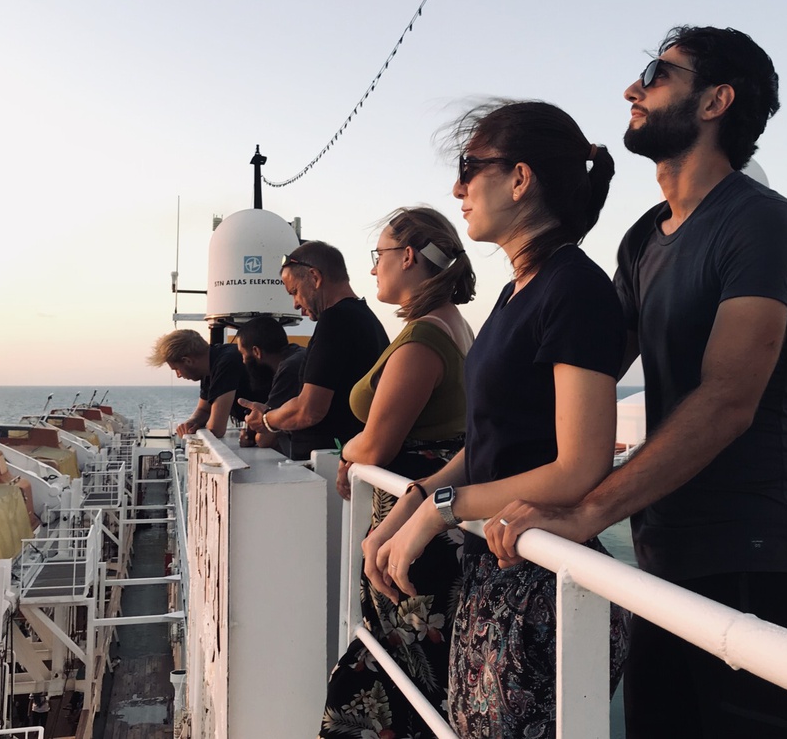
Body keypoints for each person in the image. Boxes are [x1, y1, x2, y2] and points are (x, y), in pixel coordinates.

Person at [487, 26, 787, 738]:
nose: (632, 90)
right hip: (658, 557)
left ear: (716, 101)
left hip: (747, 559)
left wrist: (587, 512)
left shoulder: (761, 224)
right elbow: (587, 371)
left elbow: (728, 400)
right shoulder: (644, 237)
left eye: (657, 74)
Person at [368, 101, 629, 739]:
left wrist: (441, 511)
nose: (457, 189)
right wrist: (416, 500)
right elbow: (490, 442)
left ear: (519, 179)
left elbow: (579, 465)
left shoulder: (574, 289)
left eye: (468, 168)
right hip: (497, 568)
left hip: (543, 586)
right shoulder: (518, 292)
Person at [319, 206, 476, 739]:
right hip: (425, 522)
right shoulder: (456, 327)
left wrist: (346, 452)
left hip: (413, 534)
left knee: (394, 685)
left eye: (379, 255)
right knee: (419, 688)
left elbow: (378, 443)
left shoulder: (423, 340)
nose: (372, 269)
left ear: (408, 256)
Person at [244, 241, 389, 460]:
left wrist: (266, 420)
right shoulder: (367, 317)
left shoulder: (335, 320)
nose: (294, 304)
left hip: (328, 467)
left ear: (314, 277)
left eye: (294, 292)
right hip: (347, 460)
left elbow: (309, 410)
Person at [146, 328, 252, 439]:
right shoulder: (210, 365)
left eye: (176, 369)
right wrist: (192, 422)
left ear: (187, 361)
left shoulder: (226, 363)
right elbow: (204, 410)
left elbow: (216, 429)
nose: (178, 375)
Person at [234, 316, 306, 452]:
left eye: (243, 354)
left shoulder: (289, 369)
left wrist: (250, 433)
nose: (243, 361)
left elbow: (265, 439)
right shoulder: (299, 354)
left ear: (256, 352)